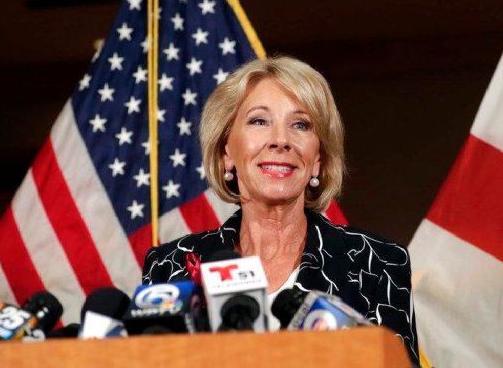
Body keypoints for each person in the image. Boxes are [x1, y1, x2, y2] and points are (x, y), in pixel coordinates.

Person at [141, 56, 418, 363]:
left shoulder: (378, 264)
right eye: (259, 121)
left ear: (318, 159)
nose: (280, 140)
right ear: (226, 152)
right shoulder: (169, 265)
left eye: (300, 125)